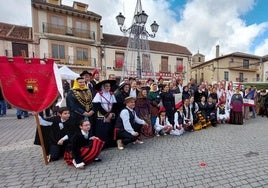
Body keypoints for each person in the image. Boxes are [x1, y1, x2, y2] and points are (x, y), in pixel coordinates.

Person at [92, 79, 117, 148]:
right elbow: (97, 106)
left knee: (110, 129)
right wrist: (106, 114)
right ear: (103, 87)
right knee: (102, 130)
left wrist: (111, 113)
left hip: (110, 113)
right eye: (106, 86)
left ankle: (110, 144)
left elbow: (114, 105)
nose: (108, 88)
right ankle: (101, 145)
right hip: (101, 115)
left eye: (109, 86)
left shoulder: (111, 94)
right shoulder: (99, 94)